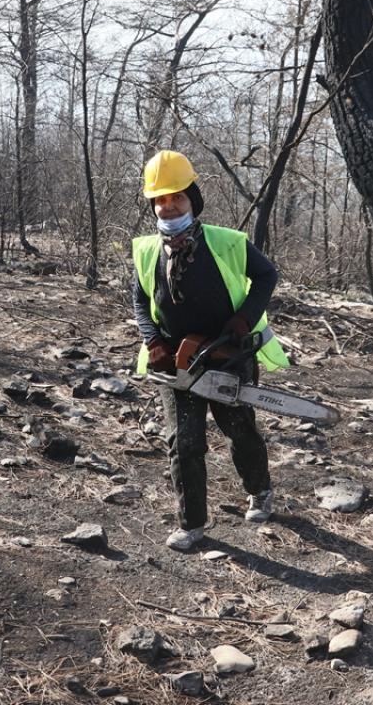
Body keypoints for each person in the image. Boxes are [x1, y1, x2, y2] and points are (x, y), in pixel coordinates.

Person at [130, 150, 290, 551]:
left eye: (177, 198)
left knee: (239, 429)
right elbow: (139, 299)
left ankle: (260, 488)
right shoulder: (148, 250)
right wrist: (153, 341)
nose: (169, 207)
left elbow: (268, 275)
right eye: (161, 200)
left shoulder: (228, 242)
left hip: (226, 355)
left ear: (192, 200)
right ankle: (192, 523)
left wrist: (245, 319)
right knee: (183, 442)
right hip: (174, 360)